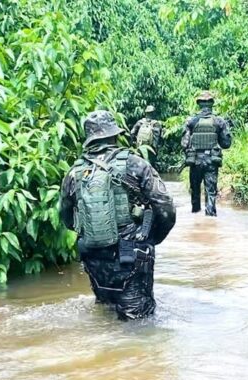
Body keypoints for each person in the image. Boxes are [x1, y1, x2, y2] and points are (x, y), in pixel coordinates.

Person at [61, 110, 176, 320]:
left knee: (104, 313)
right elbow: (166, 208)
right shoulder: (136, 163)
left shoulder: (74, 172)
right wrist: (150, 238)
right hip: (131, 254)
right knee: (138, 325)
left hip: (93, 254)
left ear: (90, 139)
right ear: (115, 134)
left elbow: (68, 219)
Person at [181, 91, 232, 217]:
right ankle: (210, 218)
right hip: (211, 162)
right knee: (210, 191)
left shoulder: (191, 121)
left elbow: (184, 144)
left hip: (195, 162)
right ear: (212, 104)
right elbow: (226, 144)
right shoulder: (219, 122)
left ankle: (196, 216)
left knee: (195, 191)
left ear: (198, 104)